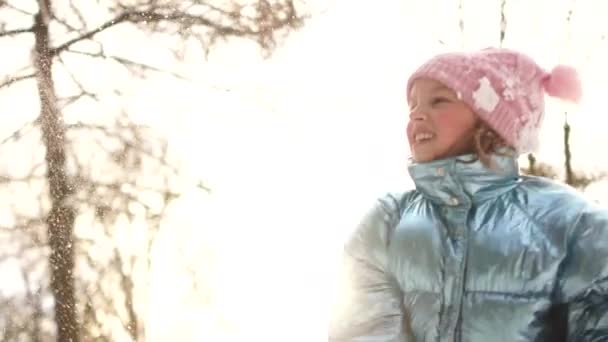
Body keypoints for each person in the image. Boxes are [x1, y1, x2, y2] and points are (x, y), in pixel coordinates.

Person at [328, 48, 608, 341]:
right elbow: (362, 327)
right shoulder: (388, 222)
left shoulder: (571, 224)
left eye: (439, 101)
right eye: (412, 106)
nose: (417, 114)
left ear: (491, 121)